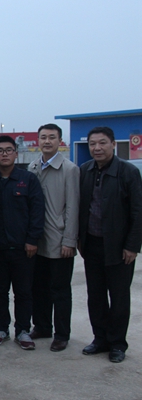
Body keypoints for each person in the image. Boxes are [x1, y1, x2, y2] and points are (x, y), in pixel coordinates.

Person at [78, 127, 142, 363]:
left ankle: (117, 343)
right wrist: (80, 240)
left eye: (102, 143)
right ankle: (100, 339)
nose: (97, 148)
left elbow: (138, 211)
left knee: (119, 297)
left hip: (119, 246)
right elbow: (81, 208)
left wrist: (132, 245)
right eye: (92, 144)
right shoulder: (85, 170)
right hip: (92, 244)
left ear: (113, 144)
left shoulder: (128, 172)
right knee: (95, 296)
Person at [0, 135, 45, 351]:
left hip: (23, 249)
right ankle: (0, 329)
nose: (4, 154)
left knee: (23, 292)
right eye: (0, 151)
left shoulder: (28, 179)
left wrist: (32, 240)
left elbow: (37, 212)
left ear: (16, 154)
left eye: (8, 150)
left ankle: (23, 330)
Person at [27, 124, 79, 352]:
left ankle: (62, 334)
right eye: (43, 137)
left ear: (60, 141)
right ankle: (42, 326)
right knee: (38, 287)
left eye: (52, 137)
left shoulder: (69, 169)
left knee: (60, 290)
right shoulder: (33, 167)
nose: (47, 141)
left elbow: (73, 207)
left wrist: (69, 240)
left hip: (59, 241)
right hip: (38, 241)